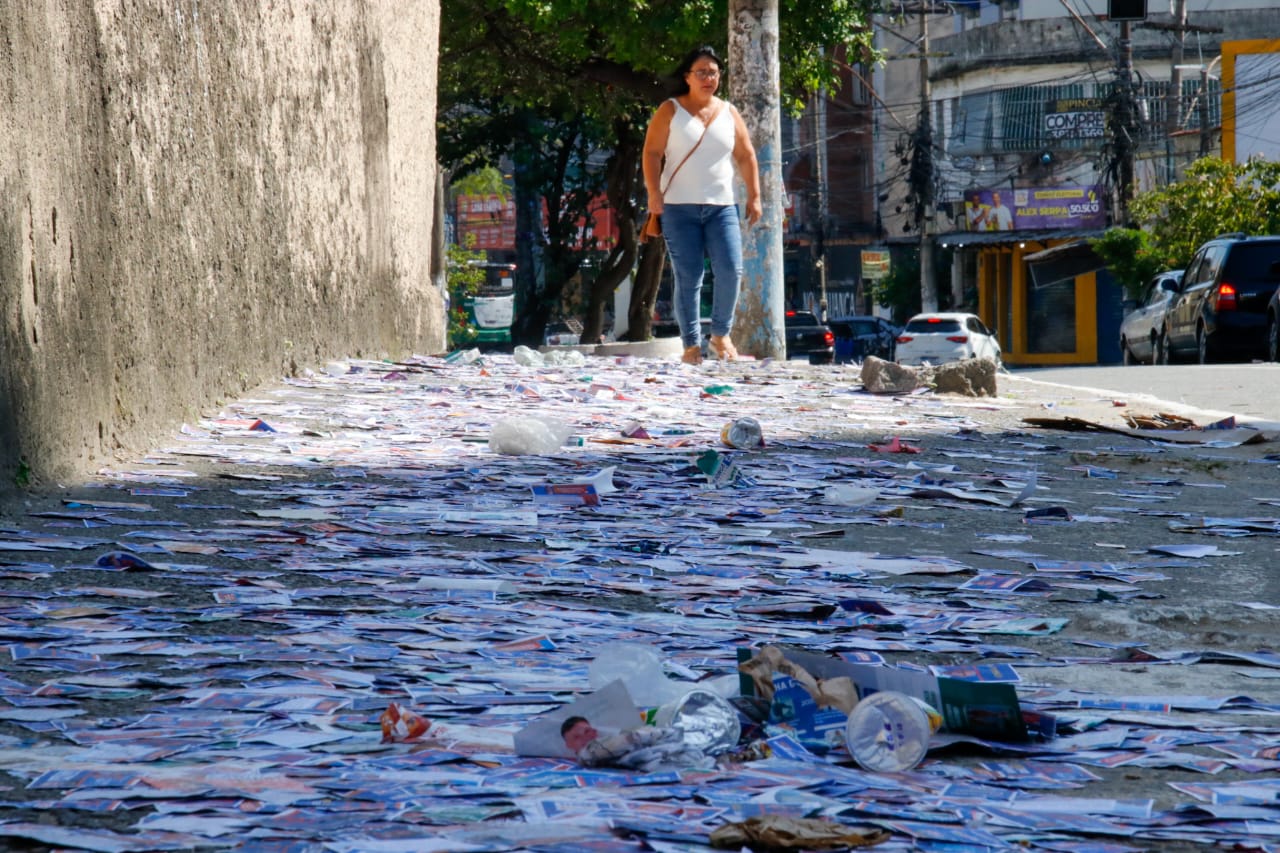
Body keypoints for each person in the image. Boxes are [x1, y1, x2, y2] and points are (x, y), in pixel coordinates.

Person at [643, 46, 763, 365]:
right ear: (688, 77)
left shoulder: (728, 112)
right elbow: (652, 153)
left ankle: (721, 336)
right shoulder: (670, 110)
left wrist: (754, 195)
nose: (708, 78)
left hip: (721, 206)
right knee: (689, 275)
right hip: (678, 208)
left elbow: (746, 155)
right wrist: (653, 192)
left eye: (713, 72)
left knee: (730, 269)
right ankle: (691, 345)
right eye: (702, 72)